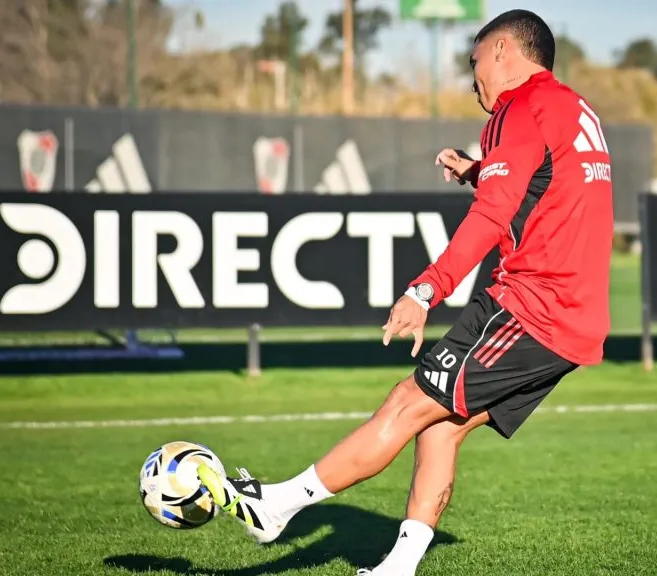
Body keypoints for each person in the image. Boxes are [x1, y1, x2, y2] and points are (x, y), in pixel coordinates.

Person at [197, 8, 614, 575]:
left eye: (475, 63)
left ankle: (276, 506)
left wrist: (424, 291)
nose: (474, 81)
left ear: (502, 52)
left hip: (533, 308)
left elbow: (494, 214)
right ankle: (398, 568)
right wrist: (476, 170)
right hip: (575, 318)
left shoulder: (518, 108)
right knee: (439, 425)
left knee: (405, 401)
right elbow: (546, 187)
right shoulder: (572, 106)